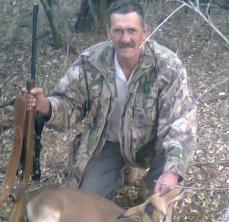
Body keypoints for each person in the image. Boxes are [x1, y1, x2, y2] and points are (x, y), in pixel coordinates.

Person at [25, 0, 196, 200]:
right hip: (107, 142)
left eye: (132, 30)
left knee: (155, 202)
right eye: (118, 31)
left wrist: (172, 171)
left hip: (150, 144)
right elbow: (69, 103)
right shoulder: (91, 61)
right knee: (87, 203)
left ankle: (150, 184)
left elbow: (181, 121)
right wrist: (45, 105)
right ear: (108, 31)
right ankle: (118, 172)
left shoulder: (168, 66)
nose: (125, 39)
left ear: (145, 31)